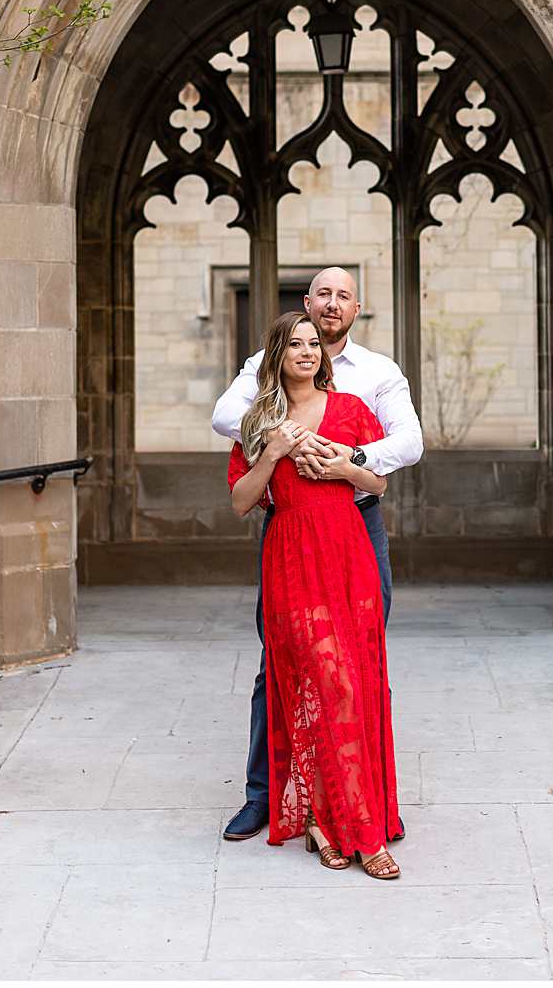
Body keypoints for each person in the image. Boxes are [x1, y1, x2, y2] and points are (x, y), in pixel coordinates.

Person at [212, 266, 422, 845]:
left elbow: (409, 443)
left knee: (360, 656)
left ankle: (369, 799)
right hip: (292, 525)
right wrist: (284, 434)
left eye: (343, 296)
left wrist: (345, 456)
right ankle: (267, 797)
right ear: (306, 302)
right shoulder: (264, 365)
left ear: (357, 308)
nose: (331, 306)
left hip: (355, 522)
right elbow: (224, 417)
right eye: (322, 295)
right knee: (282, 661)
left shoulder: (376, 375)